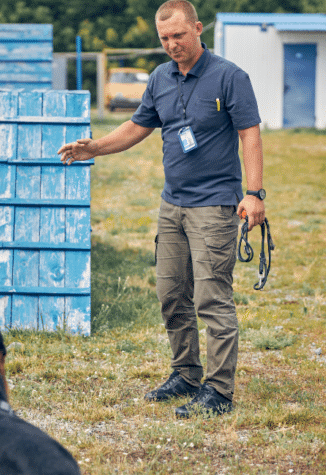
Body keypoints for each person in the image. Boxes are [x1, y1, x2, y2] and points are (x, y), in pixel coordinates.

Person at [58, 0, 265, 418]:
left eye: (179, 36)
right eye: (164, 38)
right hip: (172, 206)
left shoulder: (230, 77)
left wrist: (255, 193)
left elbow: (250, 135)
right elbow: (138, 126)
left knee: (212, 298)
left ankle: (219, 391)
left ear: (198, 29)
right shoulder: (159, 78)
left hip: (214, 206)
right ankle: (186, 373)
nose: (172, 45)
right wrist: (93, 147)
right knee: (171, 294)